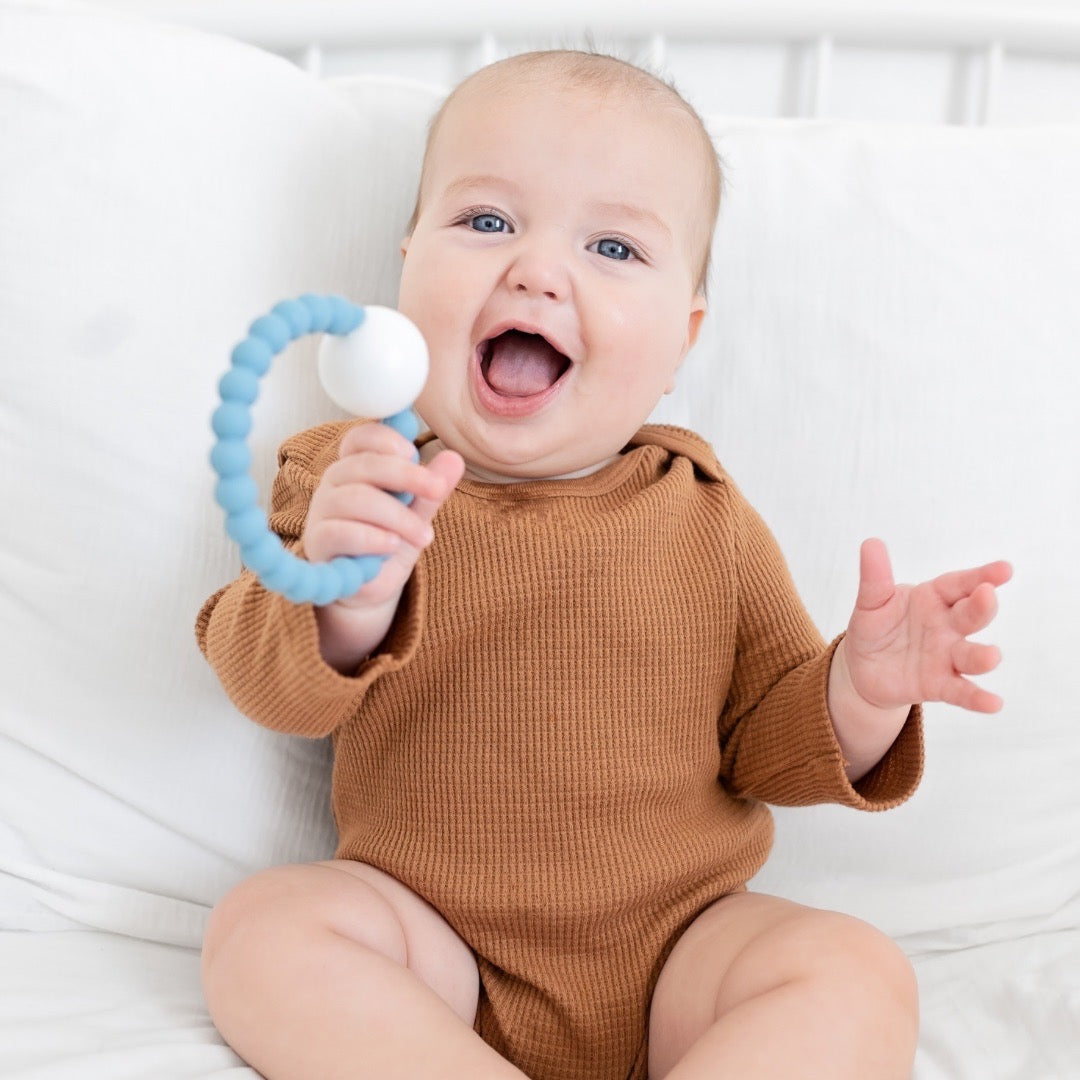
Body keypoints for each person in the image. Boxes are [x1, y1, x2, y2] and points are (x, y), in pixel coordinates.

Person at [196, 49, 1011, 1080]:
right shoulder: (355, 480)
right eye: (486, 222)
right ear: (405, 265)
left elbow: (768, 744)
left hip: (683, 952)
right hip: (434, 956)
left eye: (614, 246)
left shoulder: (702, 513)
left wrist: (859, 688)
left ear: (682, 341)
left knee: (854, 966)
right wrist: (344, 594)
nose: (538, 270)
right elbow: (263, 681)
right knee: (266, 928)